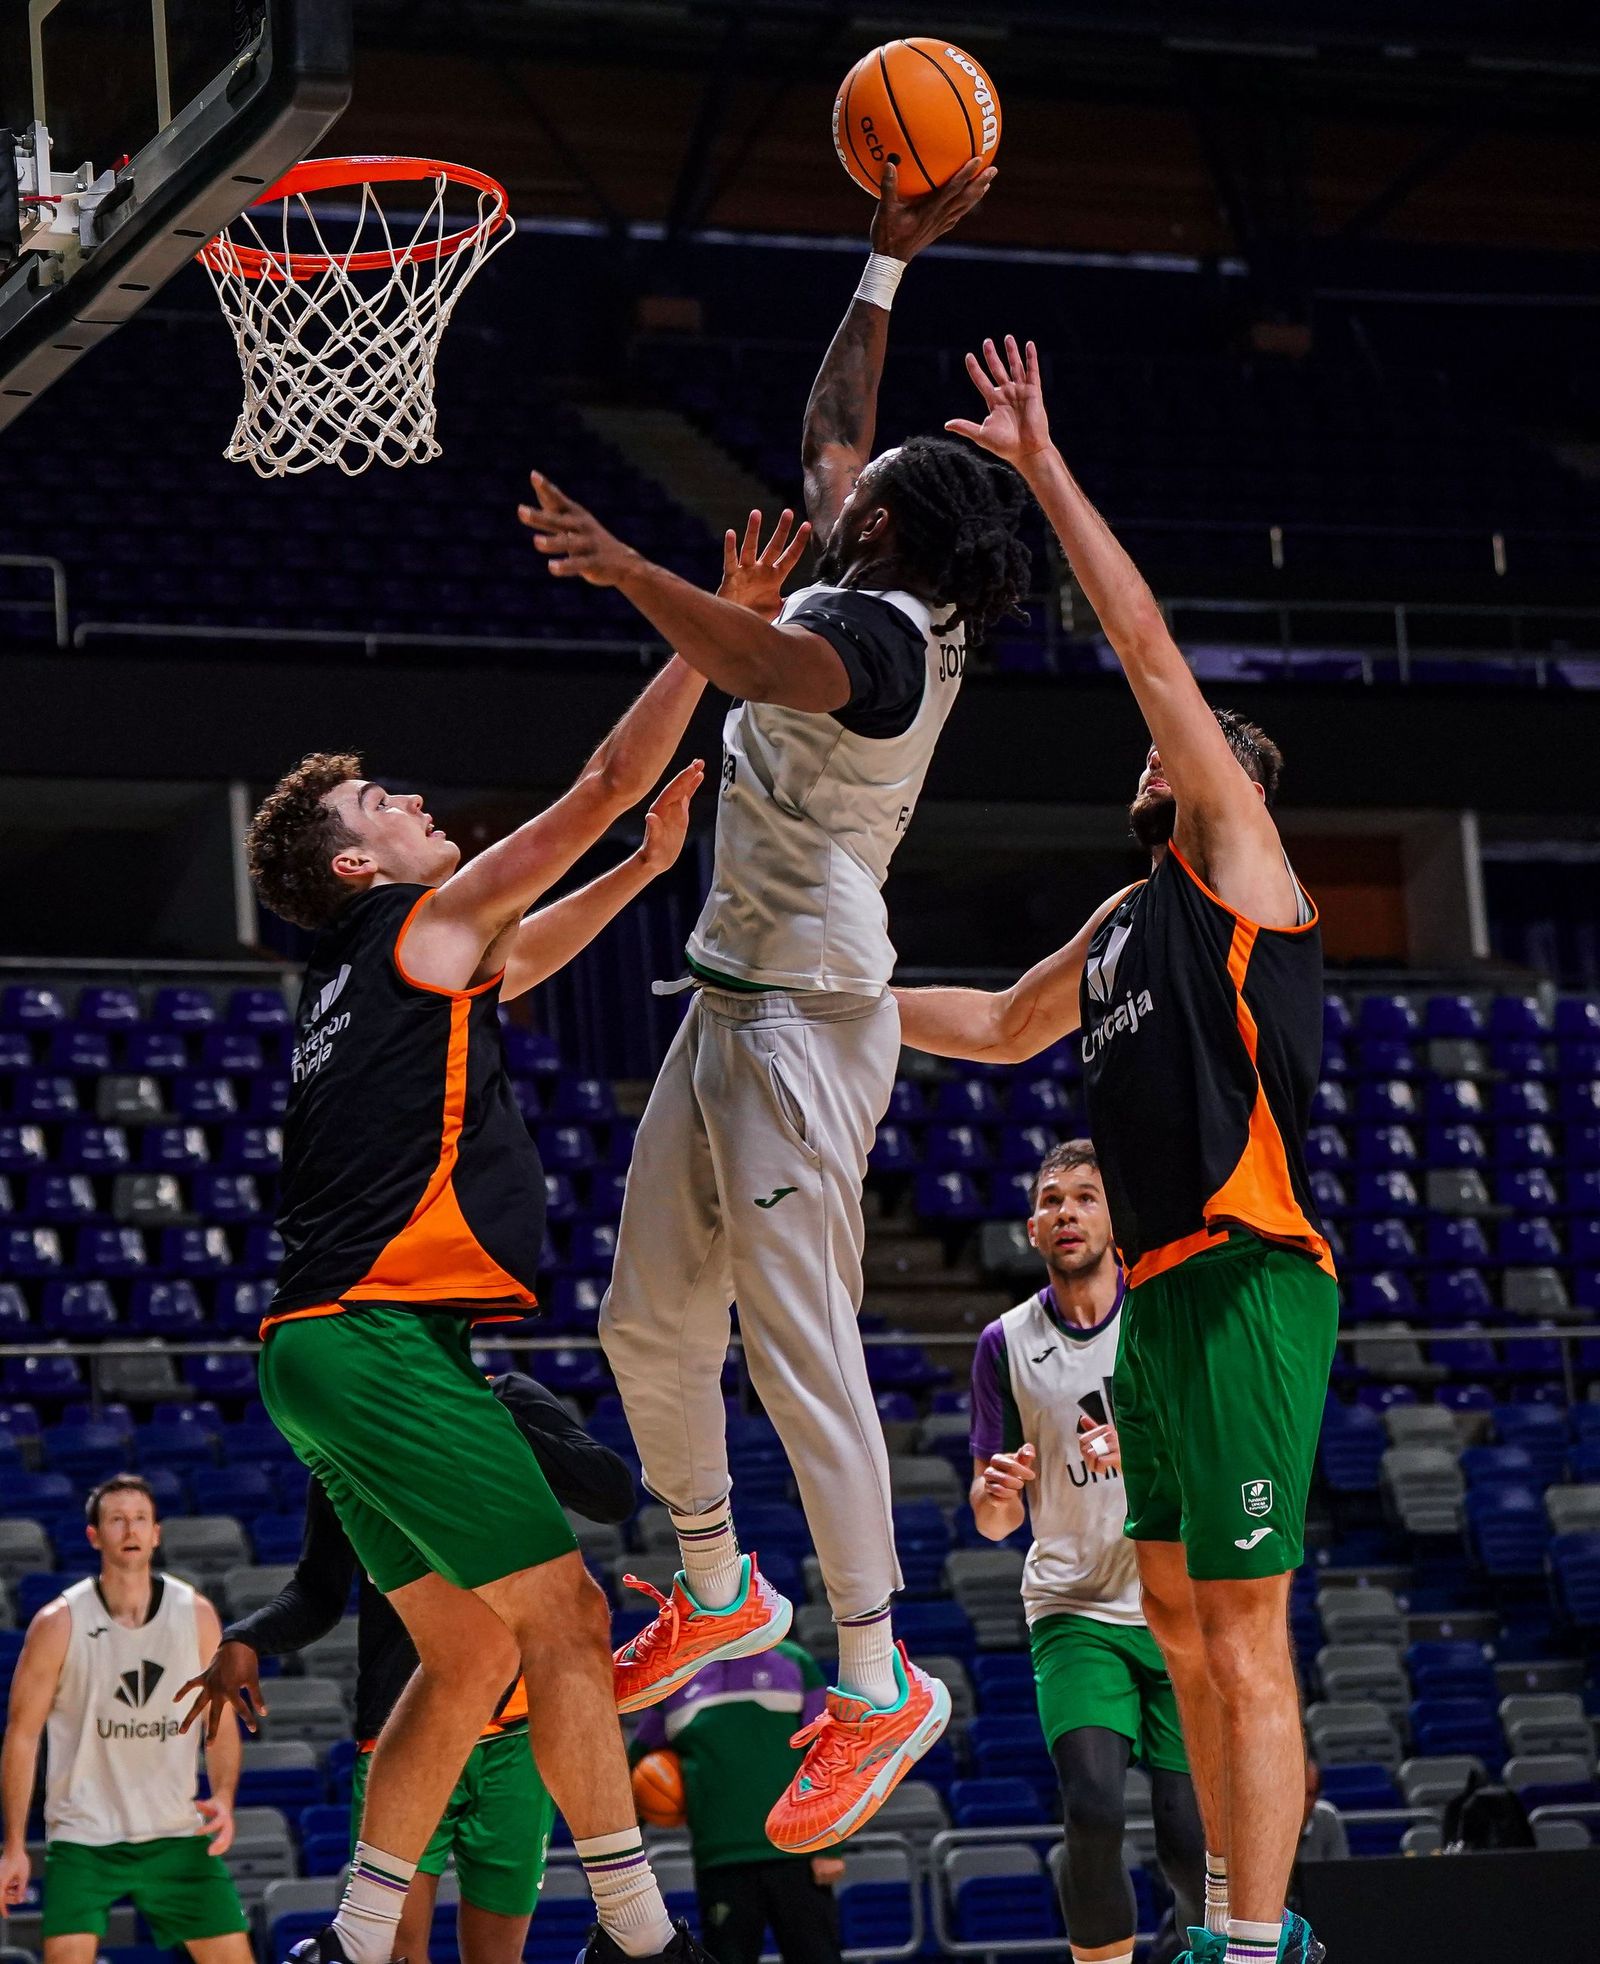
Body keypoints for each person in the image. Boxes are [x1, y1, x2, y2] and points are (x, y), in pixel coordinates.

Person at [515, 155, 1032, 1855]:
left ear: (893, 524)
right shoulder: (864, 548)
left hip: (813, 1017)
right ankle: (723, 1591)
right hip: (730, 995)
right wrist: (880, 267)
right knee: (643, 1320)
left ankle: (881, 1678)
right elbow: (830, 425)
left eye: (877, 481)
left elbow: (763, 663)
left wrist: (639, 577)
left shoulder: (879, 641)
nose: (850, 475)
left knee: (801, 1351)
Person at [232, 519, 813, 1964]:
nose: (414, 798)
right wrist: (712, 626)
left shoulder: (378, 973)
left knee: (474, 1647)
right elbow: (608, 779)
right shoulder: (414, 929)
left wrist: (636, 873)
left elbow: (527, 951)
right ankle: (638, 1926)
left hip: (325, 1352)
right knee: (559, 1613)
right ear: (358, 864)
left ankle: (358, 1940)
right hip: (374, 1343)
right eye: (383, 797)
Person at [895, 337, 1337, 1964]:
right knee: (1181, 1625)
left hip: (1246, 1275)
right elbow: (1008, 1024)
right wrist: (845, 1004)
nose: (1159, 747)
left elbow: (1148, 647)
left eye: (1187, 743)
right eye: (1167, 747)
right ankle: (1233, 1916)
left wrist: (1041, 469)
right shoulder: (1125, 919)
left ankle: (1249, 1931)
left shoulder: (1239, 862)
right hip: (1154, 1304)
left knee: (1244, 1632)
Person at [176, 1373, 636, 1964]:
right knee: (391, 1951)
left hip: (518, 1739)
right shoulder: (355, 1437)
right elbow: (316, 1591)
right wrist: (248, 1636)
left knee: (499, 1955)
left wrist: (488, 1419)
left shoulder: (509, 1396)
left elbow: (612, 1493)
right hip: (407, 1730)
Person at [970, 1140, 1204, 1964]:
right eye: (1050, 1200)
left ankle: (1213, 1947)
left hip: (1177, 1605)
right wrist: (997, 1496)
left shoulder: (1164, 1315)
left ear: (1115, 1220)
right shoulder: (1005, 1342)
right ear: (1032, 1230)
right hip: (1074, 1608)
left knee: (1187, 1834)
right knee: (1096, 1809)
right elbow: (993, 1520)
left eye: (1085, 1197)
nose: (1066, 1211)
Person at [0, 1475, 251, 1964]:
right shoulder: (58, 1623)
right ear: (95, 1536)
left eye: (140, 1518)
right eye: (116, 1519)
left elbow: (218, 1721)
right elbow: (22, 1736)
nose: (129, 1529)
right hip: (83, 1837)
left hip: (176, 1833)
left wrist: (222, 1796)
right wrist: (13, 1845)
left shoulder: (195, 1614)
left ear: (156, 1533)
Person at [629, 1642, 845, 1964]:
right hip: (719, 1862)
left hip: (798, 1855)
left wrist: (830, 1846)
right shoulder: (676, 1679)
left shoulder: (795, 1662)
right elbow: (635, 1765)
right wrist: (626, 1855)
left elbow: (829, 1756)